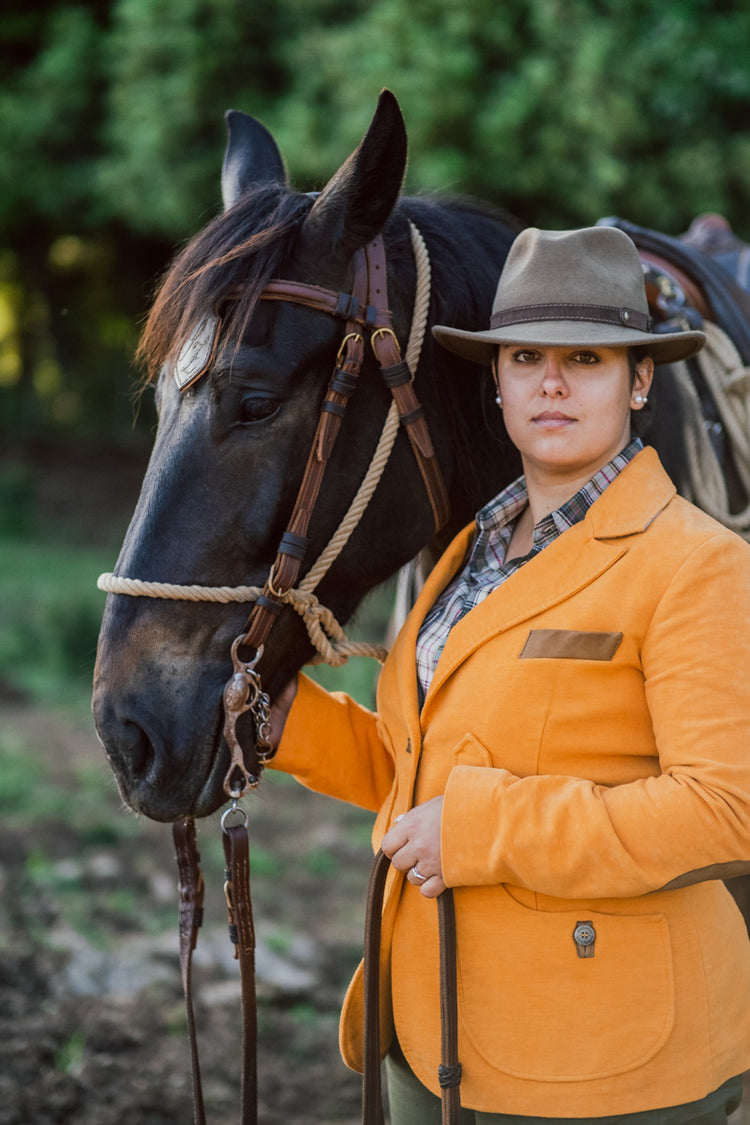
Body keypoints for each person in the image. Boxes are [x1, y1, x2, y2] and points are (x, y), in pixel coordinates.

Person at [267, 225, 750, 1123]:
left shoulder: (698, 564)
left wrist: (486, 829)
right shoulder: (466, 554)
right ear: (495, 383)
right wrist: (287, 723)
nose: (552, 382)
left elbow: (726, 814)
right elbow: (428, 772)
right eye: (526, 357)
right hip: (432, 1028)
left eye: (587, 358)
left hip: (605, 1057)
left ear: (640, 381)